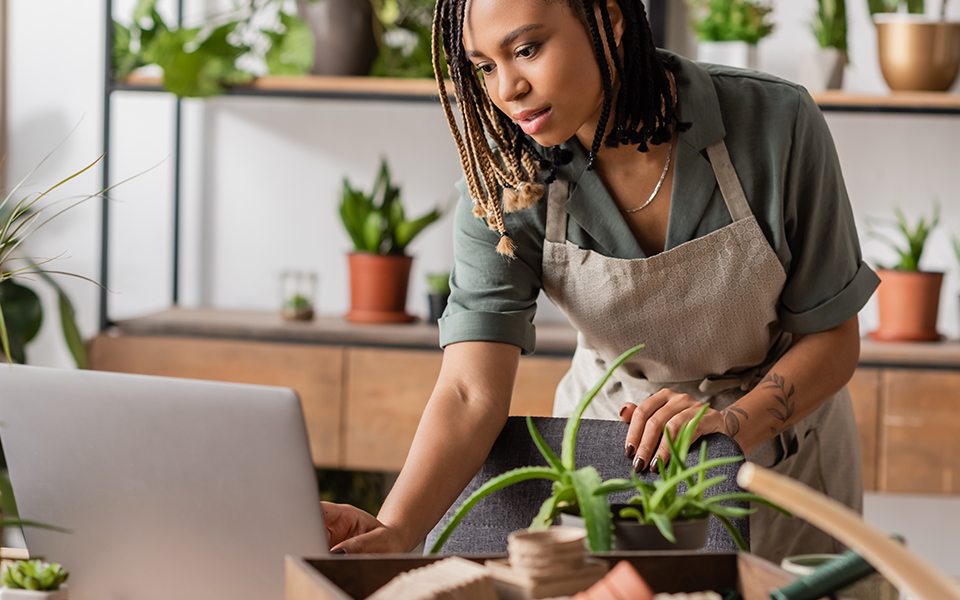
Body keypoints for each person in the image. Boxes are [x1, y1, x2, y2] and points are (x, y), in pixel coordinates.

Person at [322, 0, 879, 564]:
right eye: (485, 66)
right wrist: (395, 531)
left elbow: (833, 339)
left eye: (526, 49)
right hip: (618, 459)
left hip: (784, 457)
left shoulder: (775, 121)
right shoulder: (508, 174)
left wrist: (730, 427)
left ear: (609, 20)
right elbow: (470, 390)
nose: (507, 88)